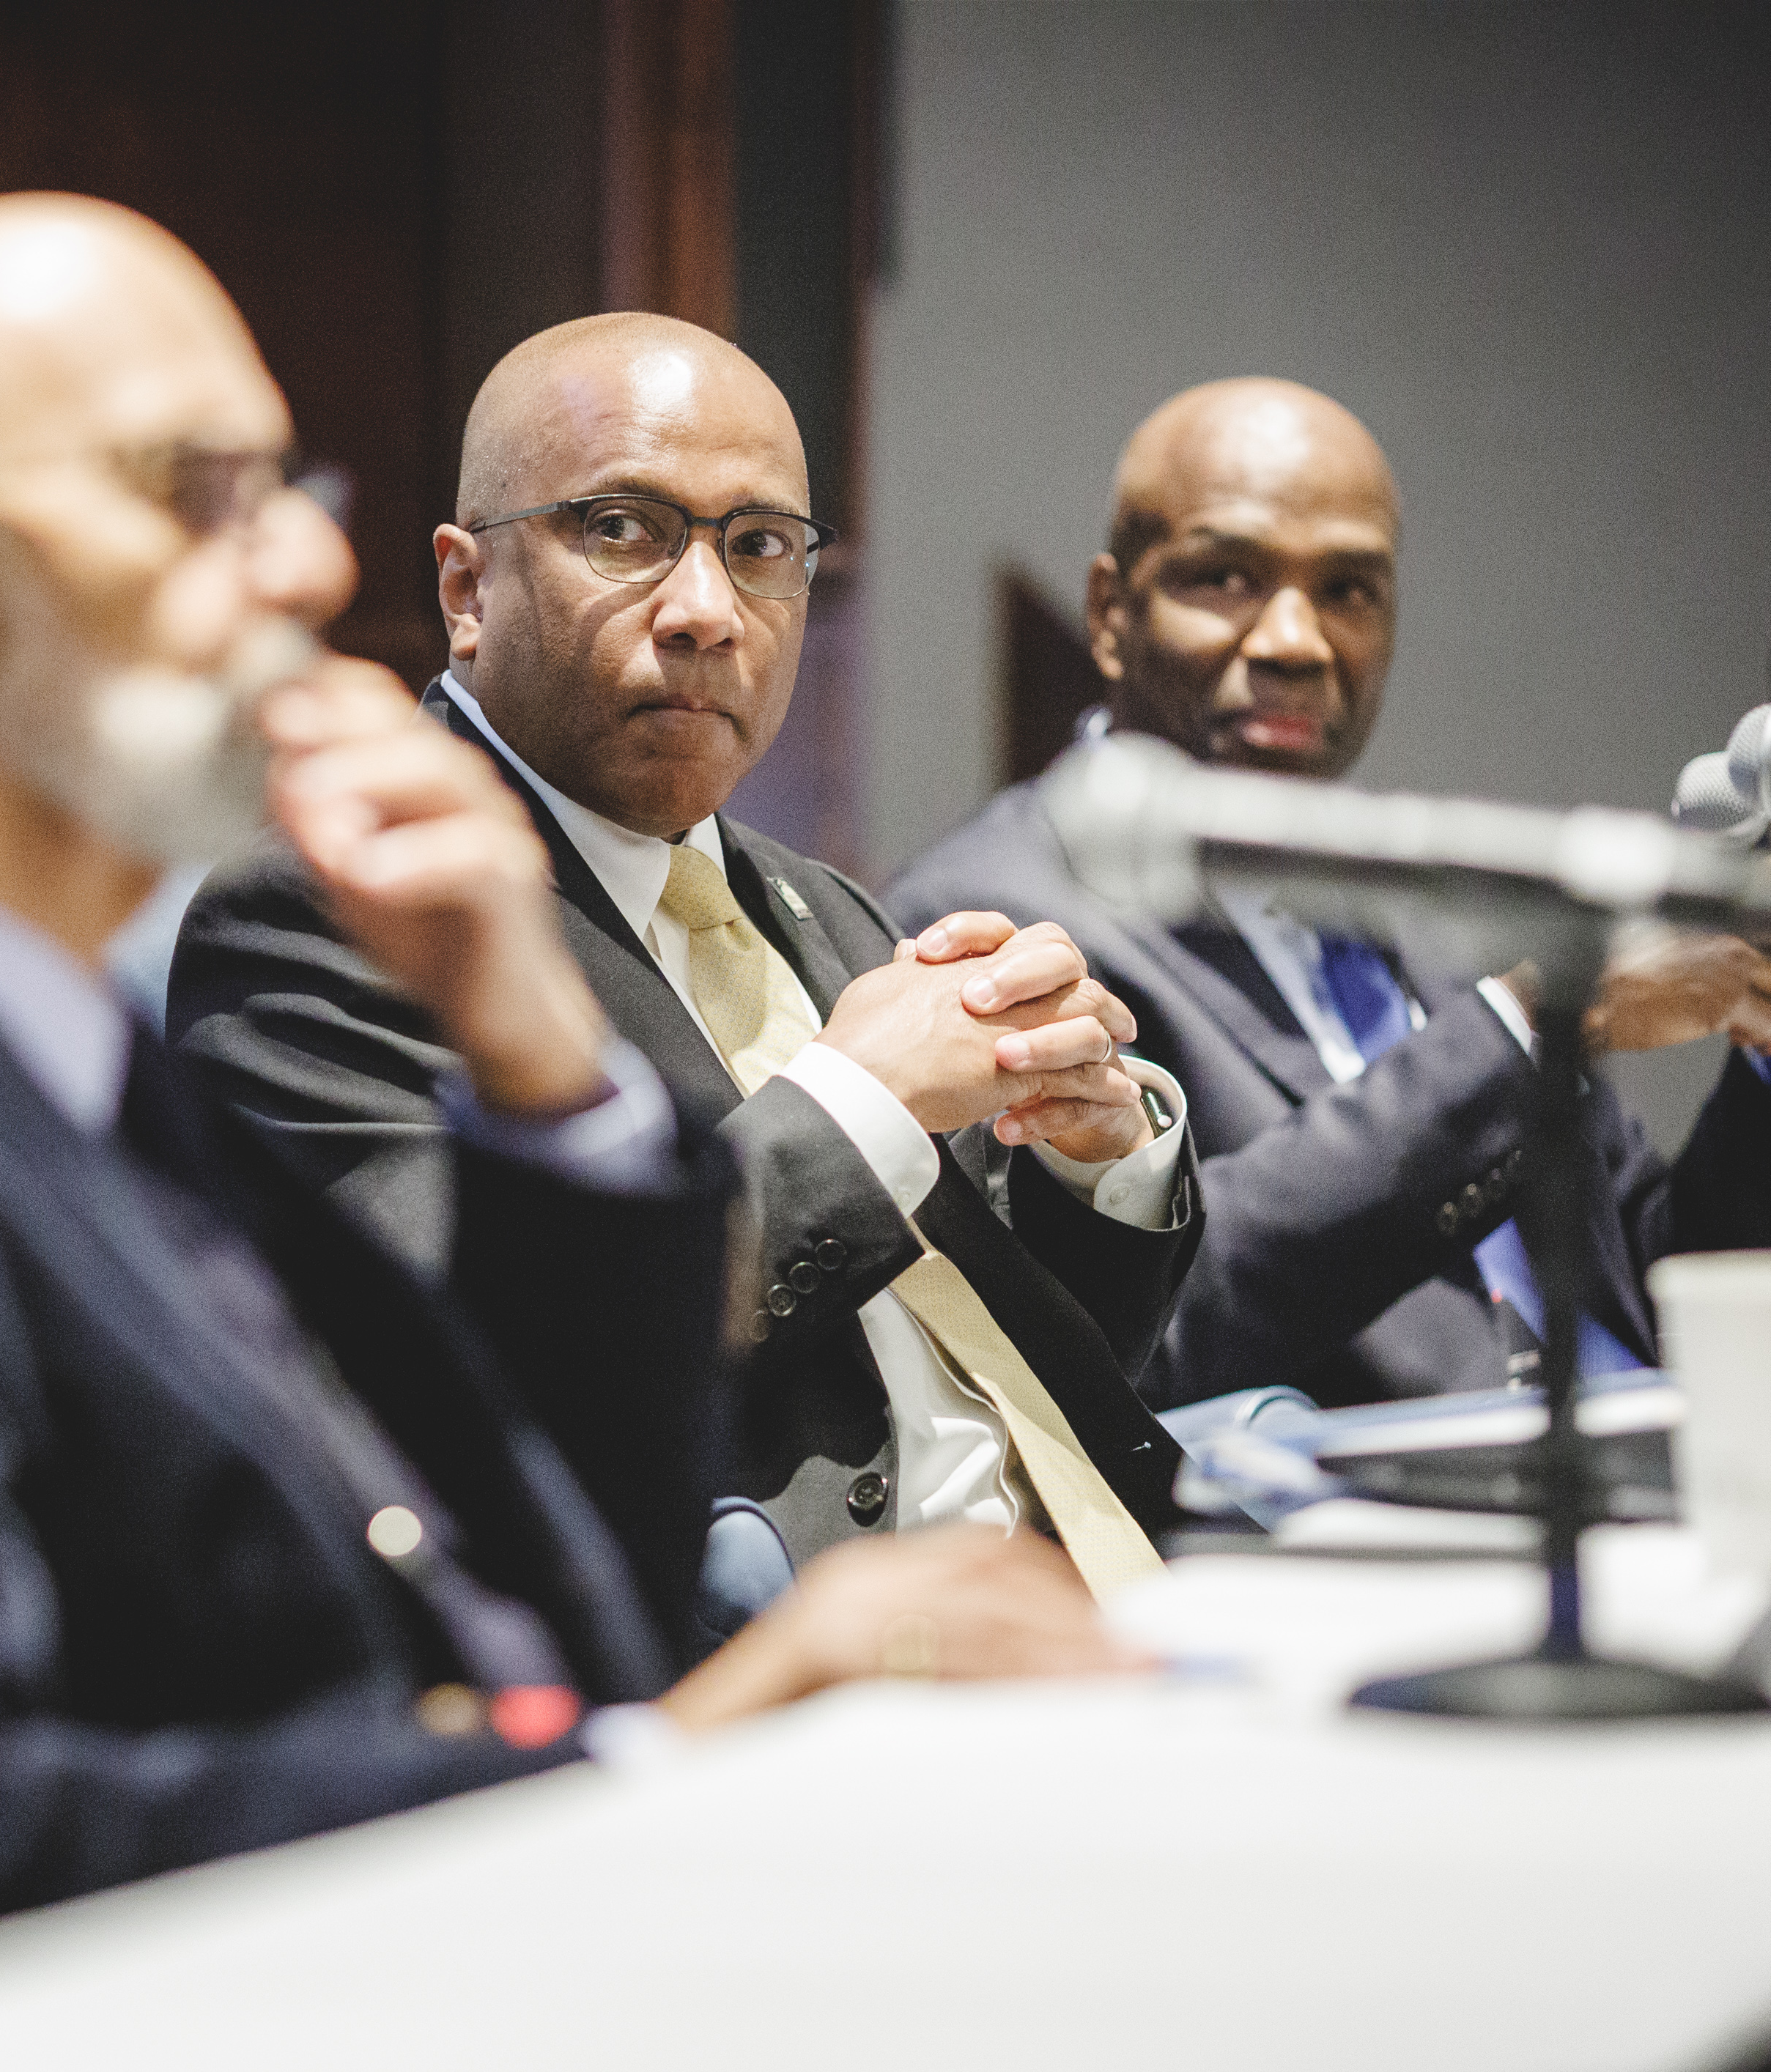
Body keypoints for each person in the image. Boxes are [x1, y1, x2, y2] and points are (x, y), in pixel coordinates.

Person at [0, 199, 1123, 2030]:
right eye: (197, 492)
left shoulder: (52, 1048)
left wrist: (548, 1071)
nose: (311, 567)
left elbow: (539, 1594)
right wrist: (639, 1777)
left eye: (287, 487)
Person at [173, 315, 1202, 1634]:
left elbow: (1030, 1368)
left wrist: (1094, 1160)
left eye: (760, 547)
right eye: (621, 528)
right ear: (465, 588)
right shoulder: (333, 912)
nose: (707, 613)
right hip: (794, 1683)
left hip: (1112, 1605)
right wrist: (860, 1107)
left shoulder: (819, 906)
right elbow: (453, 1379)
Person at [887, 377, 1771, 1409]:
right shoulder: (985, 915)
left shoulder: (1433, 898)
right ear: (1108, 614)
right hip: (1344, 1535)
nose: (1296, 640)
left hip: (1640, 1486)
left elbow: (1654, 1280)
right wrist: (1547, 1018)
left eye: (1348, 589)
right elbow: (1128, 1325)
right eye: (1226, 577)